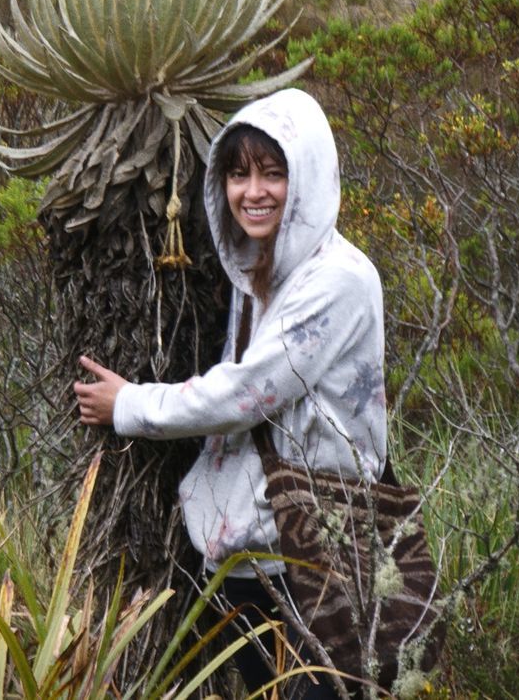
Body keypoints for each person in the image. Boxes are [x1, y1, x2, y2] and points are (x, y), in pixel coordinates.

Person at [75, 88, 388, 699]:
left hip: (317, 559)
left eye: (274, 174)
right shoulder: (258, 271)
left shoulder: (339, 281)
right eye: (239, 174)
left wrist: (132, 406)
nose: (254, 192)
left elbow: (248, 393)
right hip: (253, 554)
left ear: (311, 177)